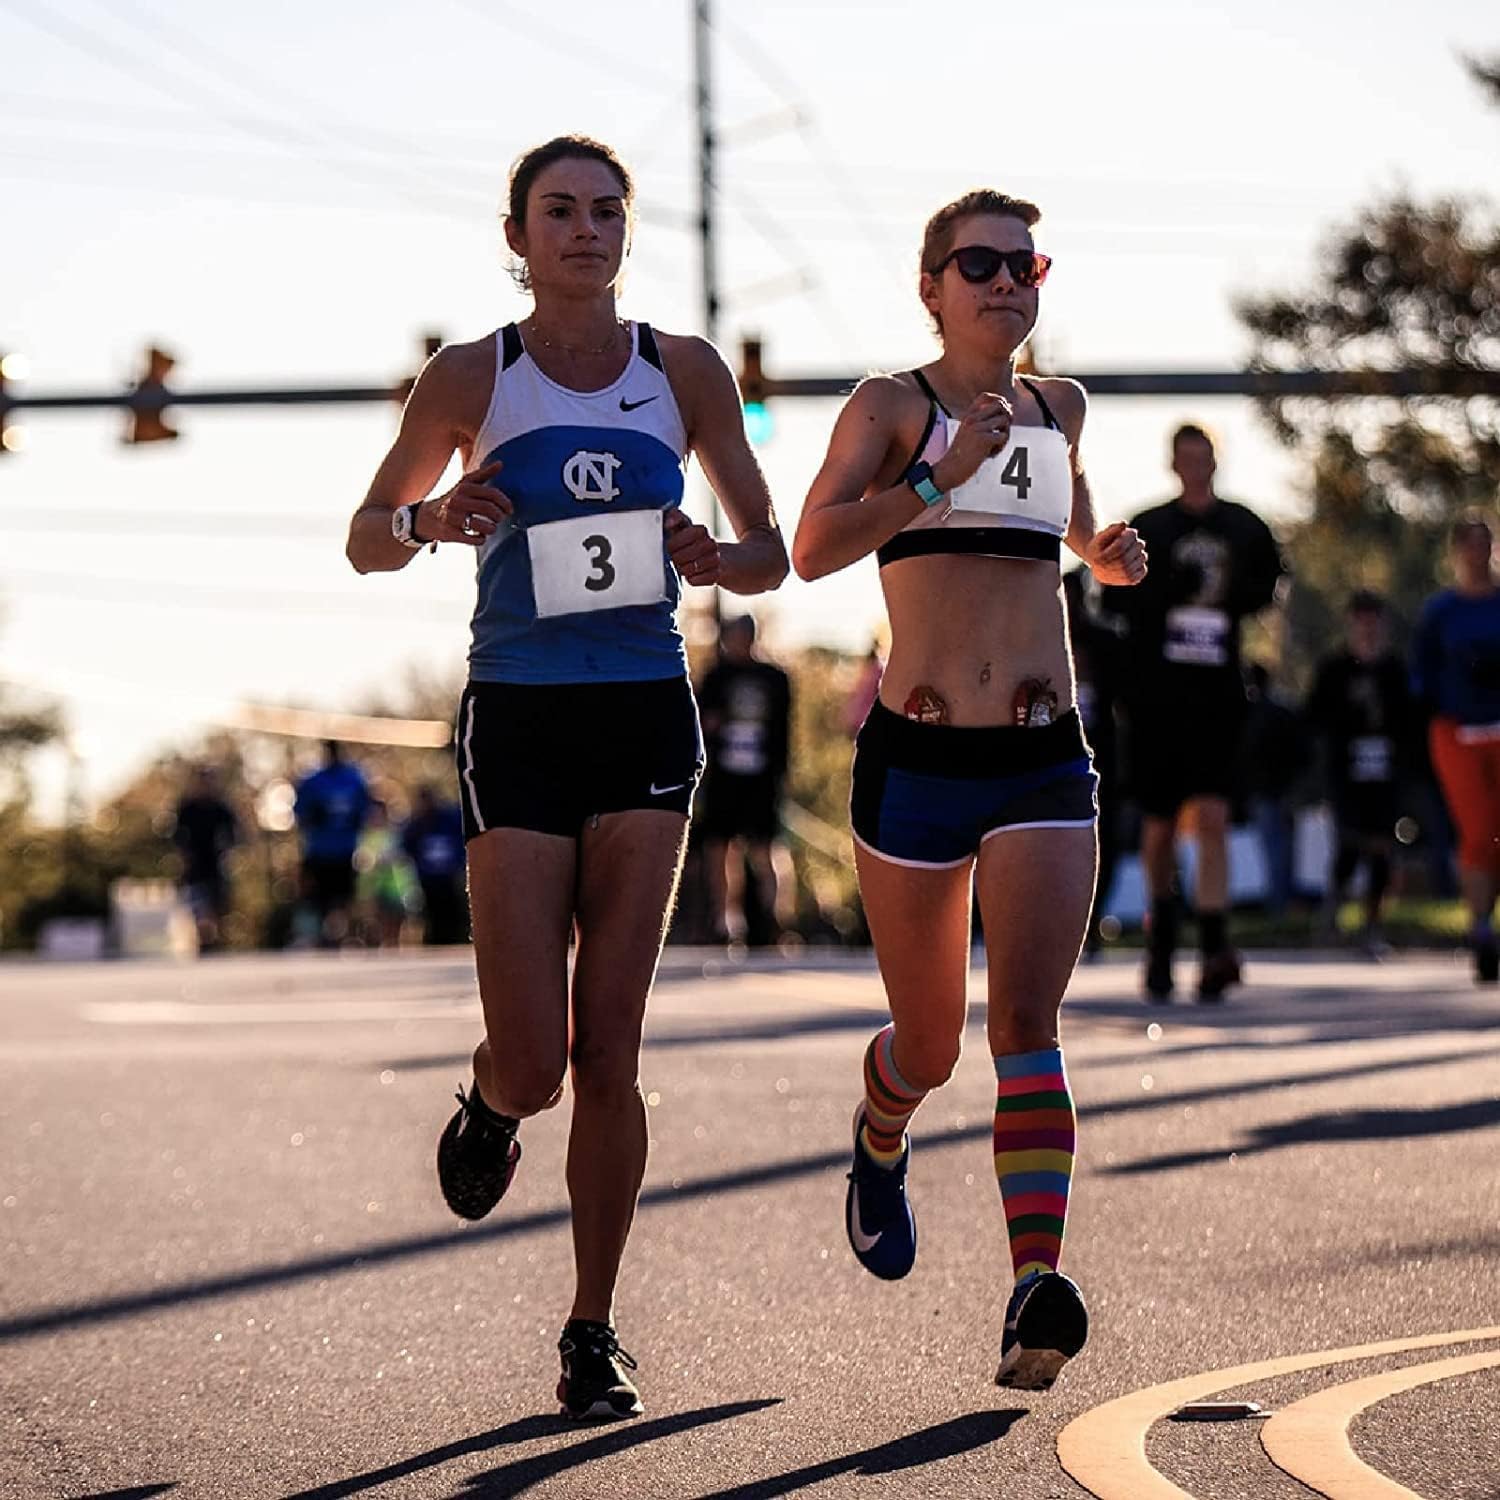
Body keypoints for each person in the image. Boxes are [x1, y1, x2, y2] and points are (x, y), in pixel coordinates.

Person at [345, 135, 787, 1418]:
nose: (584, 230)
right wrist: (433, 519)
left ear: (626, 234)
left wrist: (713, 553)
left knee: (612, 1047)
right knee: (537, 1058)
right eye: (559, 212)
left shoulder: (683, 372)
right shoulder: (474, 373)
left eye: (605, 212)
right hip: (521, 722)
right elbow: (367, 538)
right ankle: (493, 1102)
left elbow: (771, 551)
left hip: (646, 716)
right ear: (520, 235)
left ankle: (592, 1328)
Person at [793, 190, 1146, 1391]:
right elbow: (813, 547)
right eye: (979, 262)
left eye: (1024, 262)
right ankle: (878, 1135)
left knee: (1025, 1030)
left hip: (1044, 756)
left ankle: (1031, 1290)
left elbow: (1069, 506)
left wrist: (1104, 549)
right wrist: (938, 478)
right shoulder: (892, 406)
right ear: (932, 285)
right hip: (921, 762)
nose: (1006, 281)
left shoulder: (1061, 403)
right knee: (934, 1043)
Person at [1101, 425, 1285, 1002]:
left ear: (1215, 461)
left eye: (1204, 457)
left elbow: (1270, 585)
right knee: (1157, 827)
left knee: (1211, 817)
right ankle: (1160, 943)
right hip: (1158, 701)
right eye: (1186, 459)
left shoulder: (1243, 526)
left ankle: (1213, 946)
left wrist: (1233, 596)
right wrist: (1160, 592)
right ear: (1173, 464)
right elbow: (1112, 597)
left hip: (1216, 700)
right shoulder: (1150, 528)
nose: (1196, 467)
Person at [1412, 511, 1500, 983]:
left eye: (1484, 541)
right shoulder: (1441, 612)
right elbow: (1421, 678)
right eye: (1467, 543)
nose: (1477, 551)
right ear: (1456, 552)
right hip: (1457, 732)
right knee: (1480, 831)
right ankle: (1481, 927)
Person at [1305, 591, 1414, 955]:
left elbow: (1409, 720)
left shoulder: (1395, 669)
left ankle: (1372, 924)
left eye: (1374, 620)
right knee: (1349, 844)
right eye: (1361, 620)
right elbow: (1314, 717)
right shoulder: (1334, 668)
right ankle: (1332, 916)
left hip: (1386, 771)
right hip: (1346, 771)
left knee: (1383, 846)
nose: (1368, 628)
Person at [697, 613, 795, 944]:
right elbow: (702, 723)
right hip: (724, 777)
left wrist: (783, 773)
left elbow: (785, 730)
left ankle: (773, 920)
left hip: (762, 778)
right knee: (719, 849)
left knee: (765, 849)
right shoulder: (715, 677)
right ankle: (726, 922)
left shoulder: (774, 678)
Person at [293, 741, 372, 947]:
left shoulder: (354, 779)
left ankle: (341, 935)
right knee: (320, 898)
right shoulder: (313, 781)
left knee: (343, 897)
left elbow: (365, 811)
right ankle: (323, 936)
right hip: (320, 849)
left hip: (345, 849)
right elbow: (300, 814)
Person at [171, 763, 239, 952]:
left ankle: (214, 940)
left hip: (217, 864)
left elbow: (234, 834)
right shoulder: (188, 808)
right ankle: (204, 940)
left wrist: (229, 852)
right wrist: (183, 857)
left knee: (217, 905)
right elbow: (177, 836)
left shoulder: (221, 808)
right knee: (199, 905)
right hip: (195, 866)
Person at [401, 785, 469, 945]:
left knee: (452, 911)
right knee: (431, 914)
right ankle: (434, 941)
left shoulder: (450, 820)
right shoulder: (417, 825)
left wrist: (459, 864)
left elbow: (462, 842)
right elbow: (407, 847)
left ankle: (455, 940)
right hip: (428, 879)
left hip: (449, 877)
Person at [354, 799, 420, 948]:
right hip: (373, 886)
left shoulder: (395, 835)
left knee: (396, 919)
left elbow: (403, 859)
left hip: (395, 887)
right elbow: (361, 859)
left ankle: (395, 947)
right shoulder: (366, 835)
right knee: (376, 921)